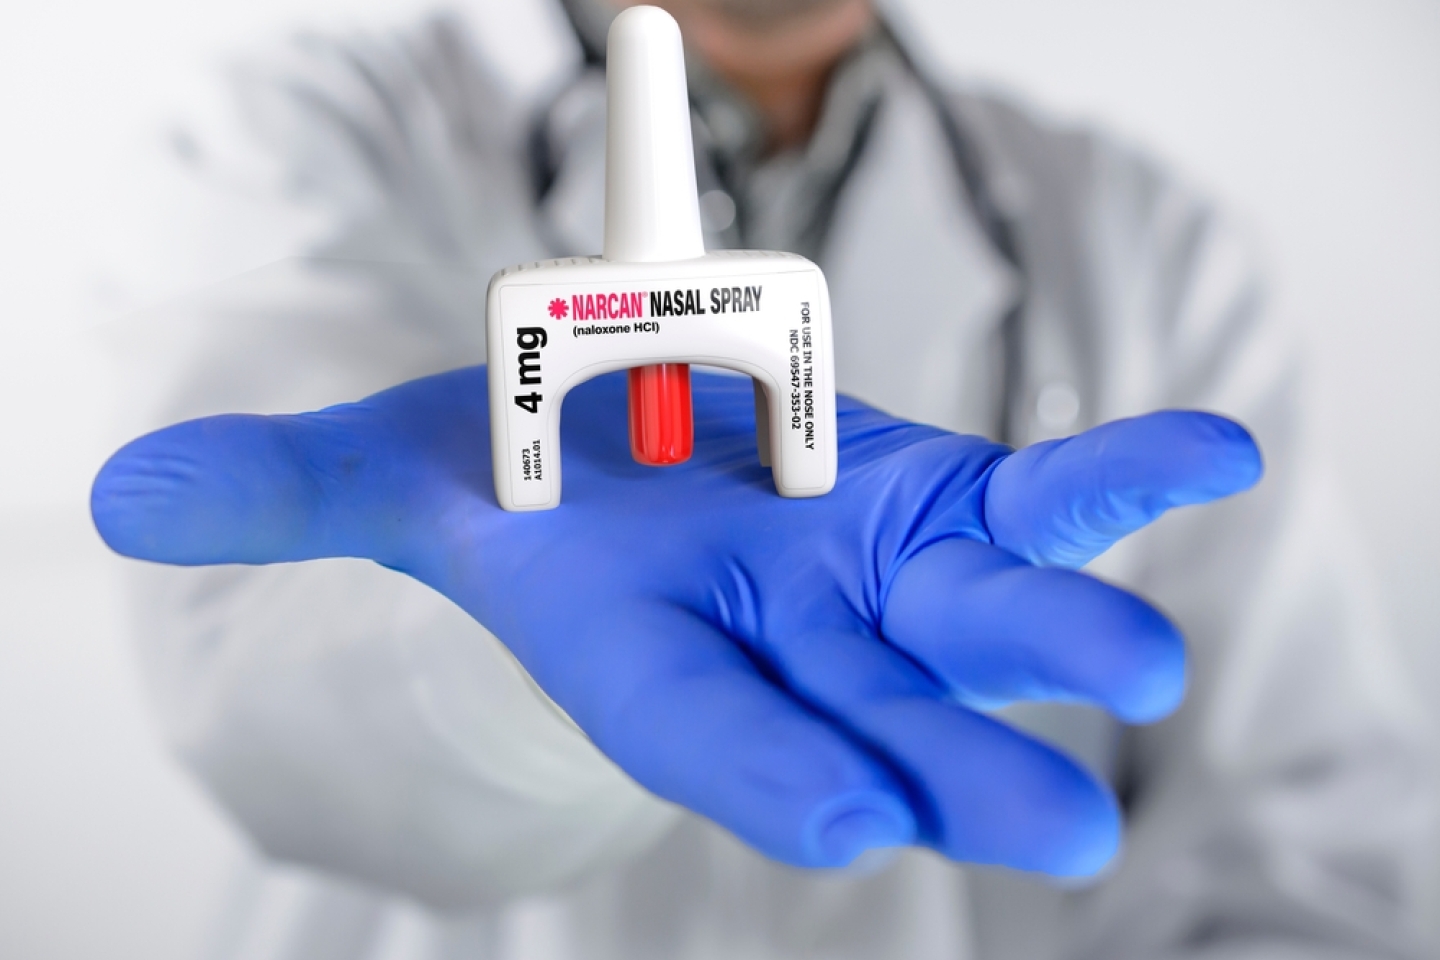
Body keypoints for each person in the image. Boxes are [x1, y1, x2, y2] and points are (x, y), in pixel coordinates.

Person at [96, 0, 1434, 957]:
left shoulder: (1148, 239)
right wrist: (528, 662)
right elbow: (261, 673)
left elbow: (1301, 850)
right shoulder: (306, 132)